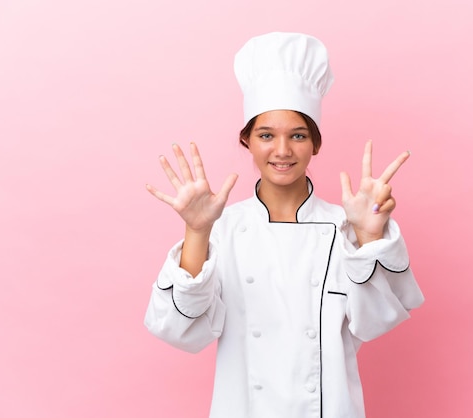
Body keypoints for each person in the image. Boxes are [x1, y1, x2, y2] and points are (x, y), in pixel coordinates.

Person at [144, 32, 424, 418]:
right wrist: (196, 232)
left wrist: (370, 236)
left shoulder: (343, 227)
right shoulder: (221, 228)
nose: (282, 150)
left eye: (297, 135)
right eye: (266, 135)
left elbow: (374, 322)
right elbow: (178, 330)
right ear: (247, 141)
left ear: (315, 144)